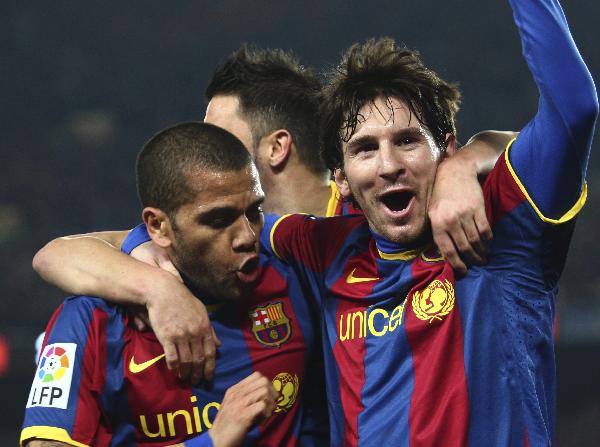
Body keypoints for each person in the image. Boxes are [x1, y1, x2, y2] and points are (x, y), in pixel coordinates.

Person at [32, 45, 515, 384]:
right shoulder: (232, 237)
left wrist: (463, 163)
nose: (203, 147)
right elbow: (57, 254)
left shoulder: (369, 210)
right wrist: (154, 286)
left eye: (217, 131)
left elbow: (535, 150)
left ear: (277, 146)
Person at [259, 0, 597, 444]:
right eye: (364, 149)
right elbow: (205, 227)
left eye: (407, 140)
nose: (388, 165)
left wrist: (470, 161)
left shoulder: (504, 229)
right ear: (340, 179)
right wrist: (149, 274)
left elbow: (574, 107)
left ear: (446, 149)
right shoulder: (324, 249)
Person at [21, 123, 315, 447]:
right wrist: (212, 441)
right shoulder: (88, 320)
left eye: (254, 211)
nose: (247, 236)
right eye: (218, 220)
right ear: (159, 227)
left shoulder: (293, 279)